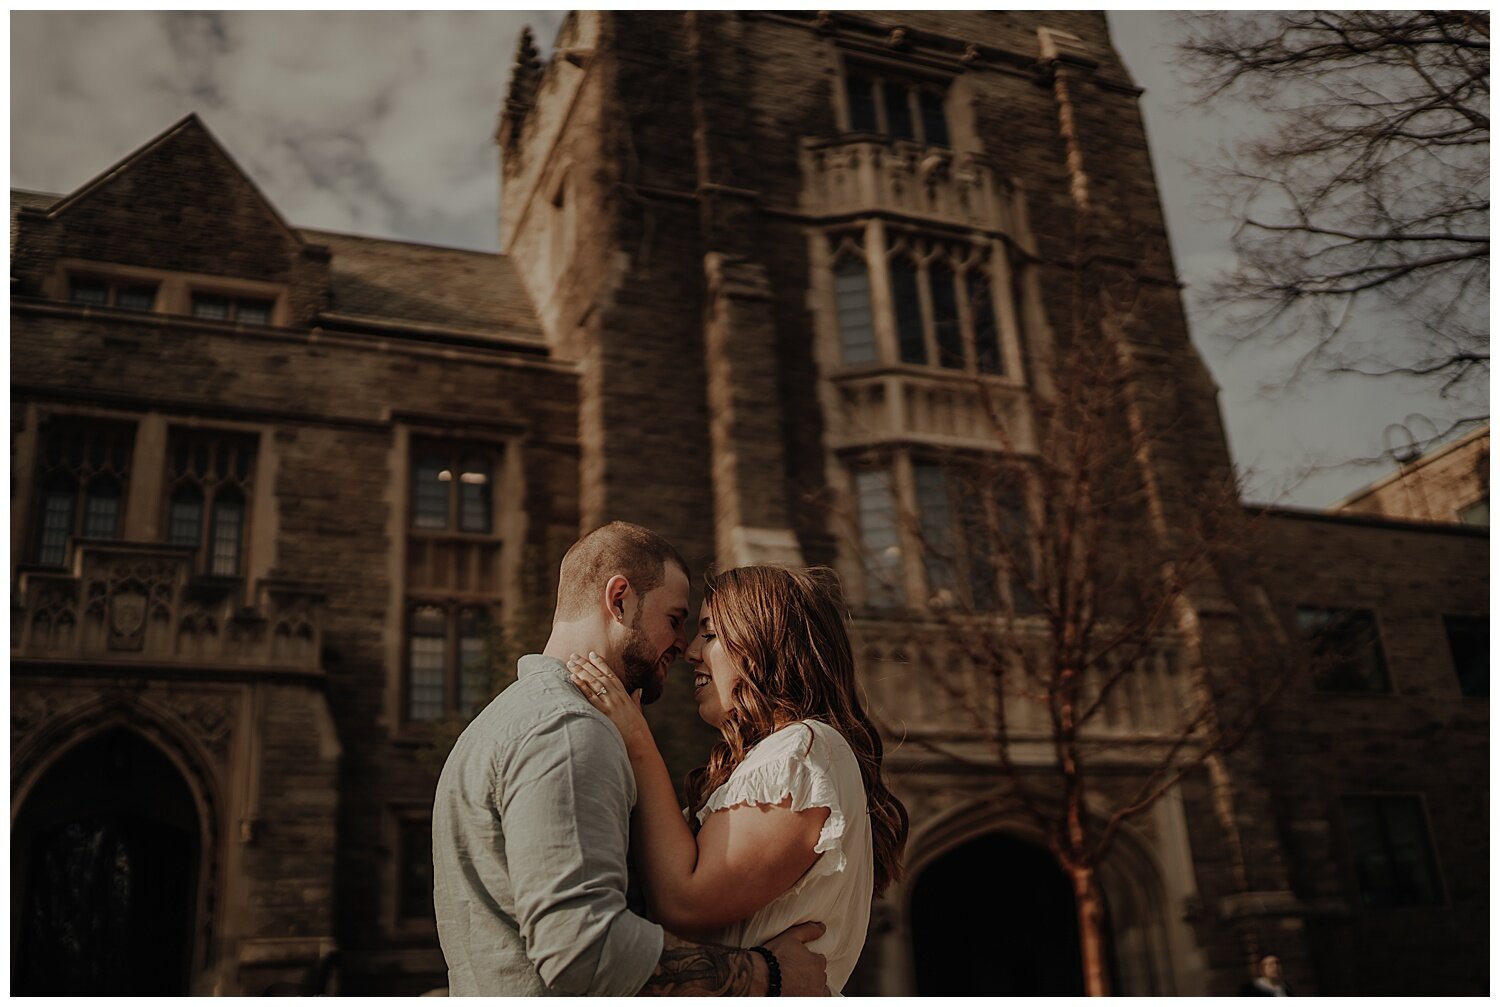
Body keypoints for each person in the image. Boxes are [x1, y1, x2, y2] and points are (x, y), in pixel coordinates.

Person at [432, 522, 830, 995]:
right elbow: (586, 952)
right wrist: (769, 975)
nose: (684, 646)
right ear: (619, 599)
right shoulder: (568, 729)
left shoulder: (500, 721)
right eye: (676, 620)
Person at [567, 564, 908, 994]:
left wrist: (638, 741)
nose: (690, 652)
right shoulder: (774, 757)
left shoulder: (804, 750)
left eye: (709, 634)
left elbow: (685, 902)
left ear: (763, 642)